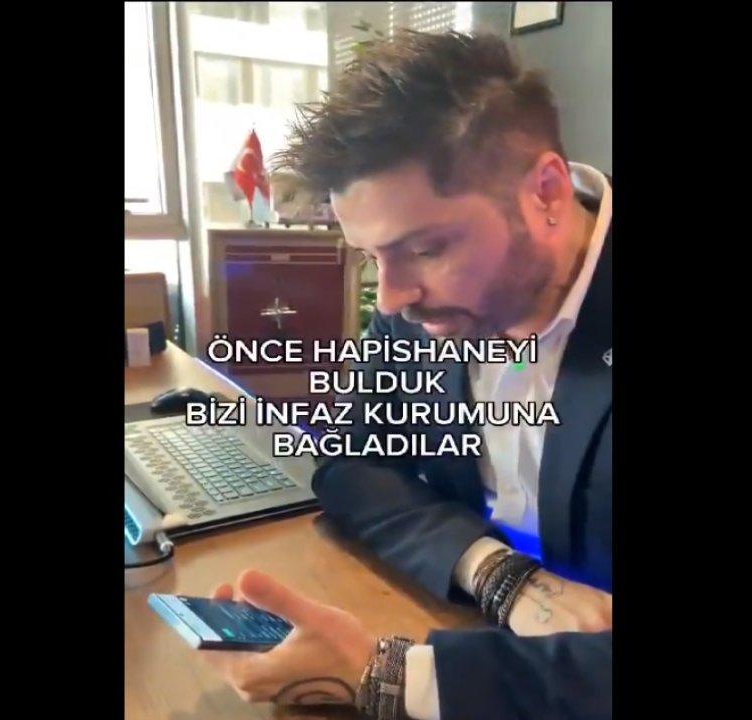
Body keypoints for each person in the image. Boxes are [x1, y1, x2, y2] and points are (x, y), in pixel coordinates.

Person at [202, 30, 613, 719]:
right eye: (371, 256)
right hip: (461, 618)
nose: (390, 299)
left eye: (425, 249)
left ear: (545, 192)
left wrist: (389, 676)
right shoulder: (424, 310)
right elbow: (350, 459)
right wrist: (494, 572)